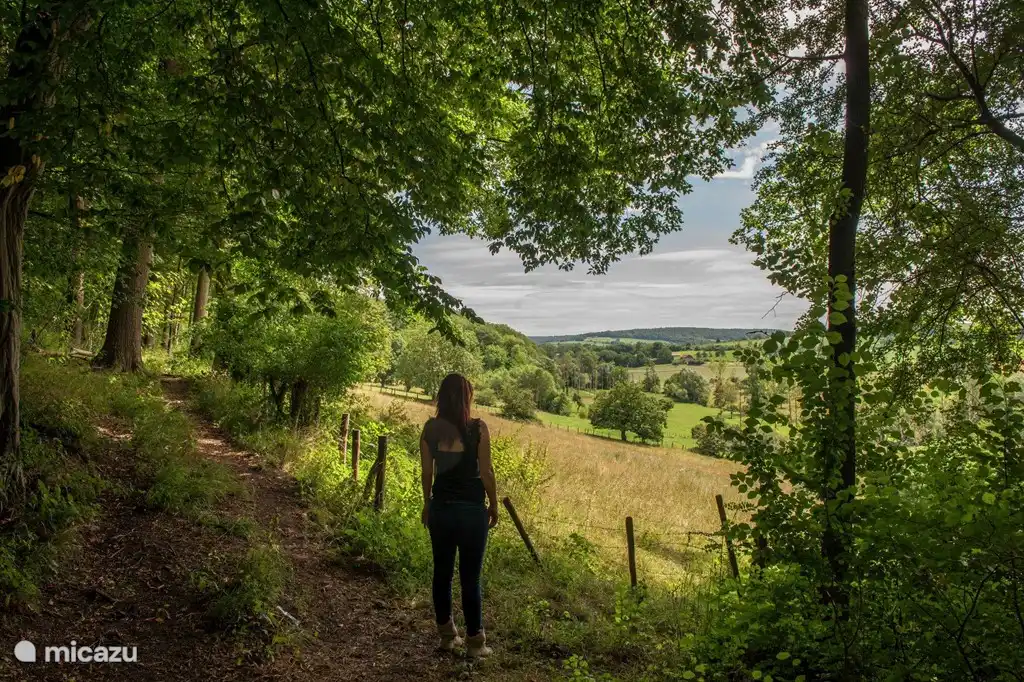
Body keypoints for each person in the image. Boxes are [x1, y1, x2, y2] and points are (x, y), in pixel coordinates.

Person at [420, 373, 499, 657]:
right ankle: (475, 642)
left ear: (441, 397)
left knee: (441, 574)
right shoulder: (478, 428)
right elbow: (486, 472)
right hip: (471, 513)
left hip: (441, 509)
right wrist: (494, 504)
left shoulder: (430, 429)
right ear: (467, 398)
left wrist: (427, 502)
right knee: (470, 578)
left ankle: (446, 636)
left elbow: (427, 472)